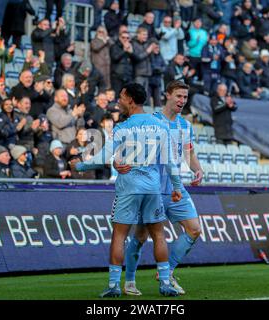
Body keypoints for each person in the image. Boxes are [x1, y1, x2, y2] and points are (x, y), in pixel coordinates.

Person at [77, 83, 183, 298]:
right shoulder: (160, 126)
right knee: (158, 235)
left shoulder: (121, 128)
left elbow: (103, 157)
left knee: (119, 235)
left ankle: (115, 285)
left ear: (131, 100)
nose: (119, 101)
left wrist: (79, 165)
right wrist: (177, 186)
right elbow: (171, 161)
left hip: (128, 188)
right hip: (152, 189)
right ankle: (164, 283)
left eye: (122, 97)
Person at [117, 80, 204, 296]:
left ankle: (168, 272)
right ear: (167, 95)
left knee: (194, 229)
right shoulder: (151, 120)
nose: (182, 101)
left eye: (185, 97)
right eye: (178, 96)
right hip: (152, 188)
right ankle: (129, 281)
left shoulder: (185, 126)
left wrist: (197, 169)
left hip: (175, 189)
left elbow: (189, 153)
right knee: (140, 237)